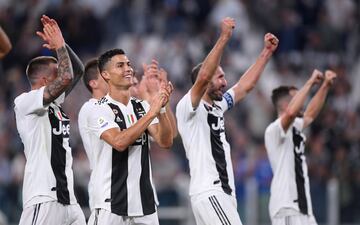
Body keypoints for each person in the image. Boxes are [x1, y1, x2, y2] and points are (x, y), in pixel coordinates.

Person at [176, 17, 279, 225]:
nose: (224, 82)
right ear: (203, 82)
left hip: (221, 193)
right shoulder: (188, 107)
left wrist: (266, 53)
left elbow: (244, 87)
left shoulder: (217, 106)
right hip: (210, 191)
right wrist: (224, 37)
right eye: (220, 77)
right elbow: (204, 75)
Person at [85, 48, 174, 225]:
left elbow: (165, 141)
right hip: (111, 202)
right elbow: (119, 142)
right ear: (106, 75)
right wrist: (152, 112)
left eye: (128, 64)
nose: (128, 69)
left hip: (144, 203)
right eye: (120, 65)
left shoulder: (141, 106)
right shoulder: (98, 108)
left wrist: (162, 107)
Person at [14, 15, 86, 225]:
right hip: (43, 198)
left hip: (69, 200)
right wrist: (59, 47)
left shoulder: (54, 103)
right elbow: (66, 78)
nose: (64, 72)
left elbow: (77, 71)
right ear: (45, 81)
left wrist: (61, 43)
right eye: (57, 72)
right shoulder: (26, 102)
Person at [264, 70, 337, 225]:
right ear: (285, 104)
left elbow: (310, 114)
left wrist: (325, 86)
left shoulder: (295, 126)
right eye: (298, 97)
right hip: (287, 208)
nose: (303, 101)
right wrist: (309, 83)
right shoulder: (274, 130)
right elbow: (290, 113)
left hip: (303, 209)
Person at [78, 59, 108, 212]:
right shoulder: (90, 108)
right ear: (93, 83)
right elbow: (119, 141)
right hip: (104, 186)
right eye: (105, 75)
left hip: (126, 187)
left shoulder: (118, 107)